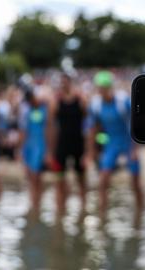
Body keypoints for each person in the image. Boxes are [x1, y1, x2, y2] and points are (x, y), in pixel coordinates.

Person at [85, 71, 143, 216]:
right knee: (103, 179)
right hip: (111, 143)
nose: (102, 91)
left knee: (135, 182)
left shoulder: (123, 102)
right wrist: (92, 152)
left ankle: (140, 210)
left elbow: (135, 124)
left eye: (104, 88)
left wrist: (135, 149)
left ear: (110, 87)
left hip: (128, 142)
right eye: (99, 88)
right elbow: (93, 130)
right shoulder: (96, 105)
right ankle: (102, 213)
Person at [53, 73, 87, 214]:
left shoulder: (80, 99)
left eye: (65, 82)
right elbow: (52, 124)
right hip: (62, 143)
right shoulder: (57, 100)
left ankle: (83, 207)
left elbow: (88, 118)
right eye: (61, 83)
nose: (63, 85)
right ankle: (61, 208)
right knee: (60, 178)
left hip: (77, 142)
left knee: (80, 177)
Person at [18, 87, 56, 211]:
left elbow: (49, 129)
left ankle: (36, 203)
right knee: (30, 176)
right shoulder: (27, 110)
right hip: (30, 145)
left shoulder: (45, 107)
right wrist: (21, 149)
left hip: (40, 144)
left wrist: (49, 151)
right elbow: (24, 131)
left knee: (36, 175)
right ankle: (35, 202)